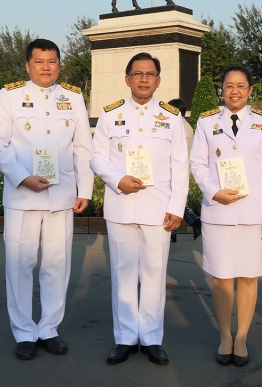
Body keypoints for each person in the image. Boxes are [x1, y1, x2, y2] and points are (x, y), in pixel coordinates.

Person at [0, 39, 94, 361]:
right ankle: (23, 331)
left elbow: (83, 146)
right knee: (20, 266)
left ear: (59, 64)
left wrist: (85, 189)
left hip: (61, 195)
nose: (46, 67)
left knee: (56, 265)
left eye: (52, 61)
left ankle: (49, 328)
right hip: (23, 195)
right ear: (27, 65)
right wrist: (22, 177)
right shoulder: (9, 96)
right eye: (39, 61)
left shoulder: (73, 97)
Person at [90, 52, 189, 366]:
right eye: (137, 73)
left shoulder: (171, 117)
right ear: (127, 79)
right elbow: (96, 157)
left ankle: (151, 338)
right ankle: (124, 338)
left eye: (149, 74)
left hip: (158, 208)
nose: (143, 79)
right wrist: (117, 178)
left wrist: (177, 206)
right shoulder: (111, 114)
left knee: (154, 274)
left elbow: (180, 164)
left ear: (158, 81)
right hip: (121, 205)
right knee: (122, 274)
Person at [189, 66, 262, 367]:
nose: (235, 91)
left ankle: (241, 337)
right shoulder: (207, 122)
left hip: (253, 212)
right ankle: (225, 336)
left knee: (249, 276)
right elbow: (197, 164)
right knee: (222, 277)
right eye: (229, 85)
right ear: (222, 89)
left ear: (250, 90)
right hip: (218, 211)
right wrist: (214, 191)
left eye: (241, 86)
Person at [167, 97, 202, 243]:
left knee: (172, 201)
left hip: (173, 169)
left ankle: (194, 221)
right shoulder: (186, 126)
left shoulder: (177, 126)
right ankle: (173, 233)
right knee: (172, 201)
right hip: (183, 168)